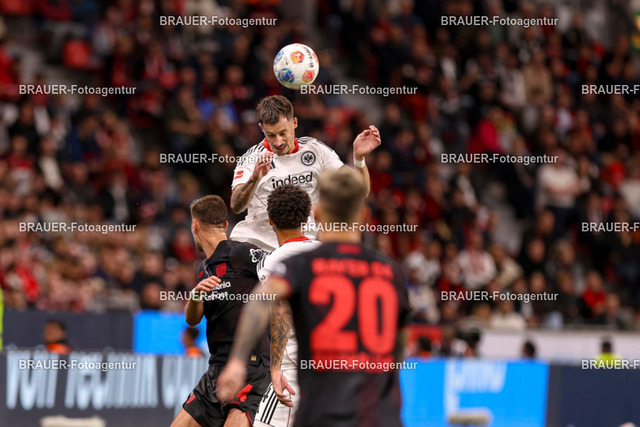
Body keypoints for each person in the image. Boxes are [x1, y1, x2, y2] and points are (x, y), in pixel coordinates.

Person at [217, 169, 411, 427]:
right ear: (365, 216)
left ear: (317, 214)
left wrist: (237, 361)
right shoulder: (391, 272)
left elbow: (263, 301)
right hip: (379, 413)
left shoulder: (302, 265)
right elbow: (400, 341)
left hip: (322, 409)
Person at [229, 95, 381, 250]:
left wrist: (359, 158)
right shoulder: (252, 158)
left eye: (283, 133)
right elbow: (236, 206)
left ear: (294, 123)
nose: (278, 142)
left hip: (303, 246)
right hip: (260, 246)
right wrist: (253, 179)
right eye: (271, 135)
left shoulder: (316, 151)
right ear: (262, 128)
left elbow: (359, 193)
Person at [171, 195, 269, 427]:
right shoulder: (203, 269)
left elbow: (279, 276)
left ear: (194, 226)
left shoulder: (242, 253)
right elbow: (193, 320)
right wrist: (196, 296)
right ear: (225, 224)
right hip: (216, 369)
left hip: (251, 367)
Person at [254, 184, 320, 427]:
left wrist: (275, 368)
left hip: (294, 363)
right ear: (307, 217)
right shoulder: (326, 253)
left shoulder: (274, 262)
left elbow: (280, 313)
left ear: (270, 220)